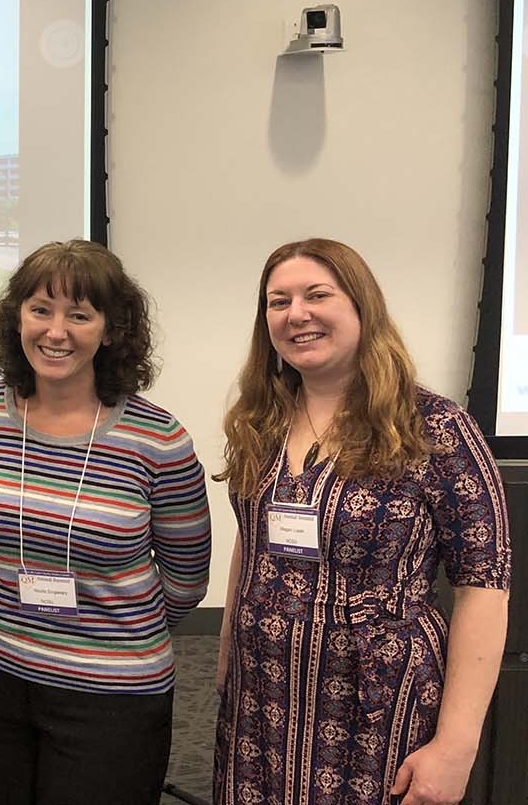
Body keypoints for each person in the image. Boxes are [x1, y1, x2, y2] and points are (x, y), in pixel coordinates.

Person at [213, 238, 512, 805]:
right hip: (263, 696)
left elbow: (484, 588)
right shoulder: (261, 419)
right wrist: (226, 665)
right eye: (278, 302)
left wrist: (456, 746)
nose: (296, 313)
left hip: (377, 700)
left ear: (361, 306)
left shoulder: (435, 427)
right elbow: (251, 546)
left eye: (316, 294)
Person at [0, 240, 212, 805]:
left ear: (111, 331)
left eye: (79, 315)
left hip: (110, 694)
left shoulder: (158, 440)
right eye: (40, 309)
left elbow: (186, 581)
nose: (55, 331)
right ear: (17, 318)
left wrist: (103, 629)